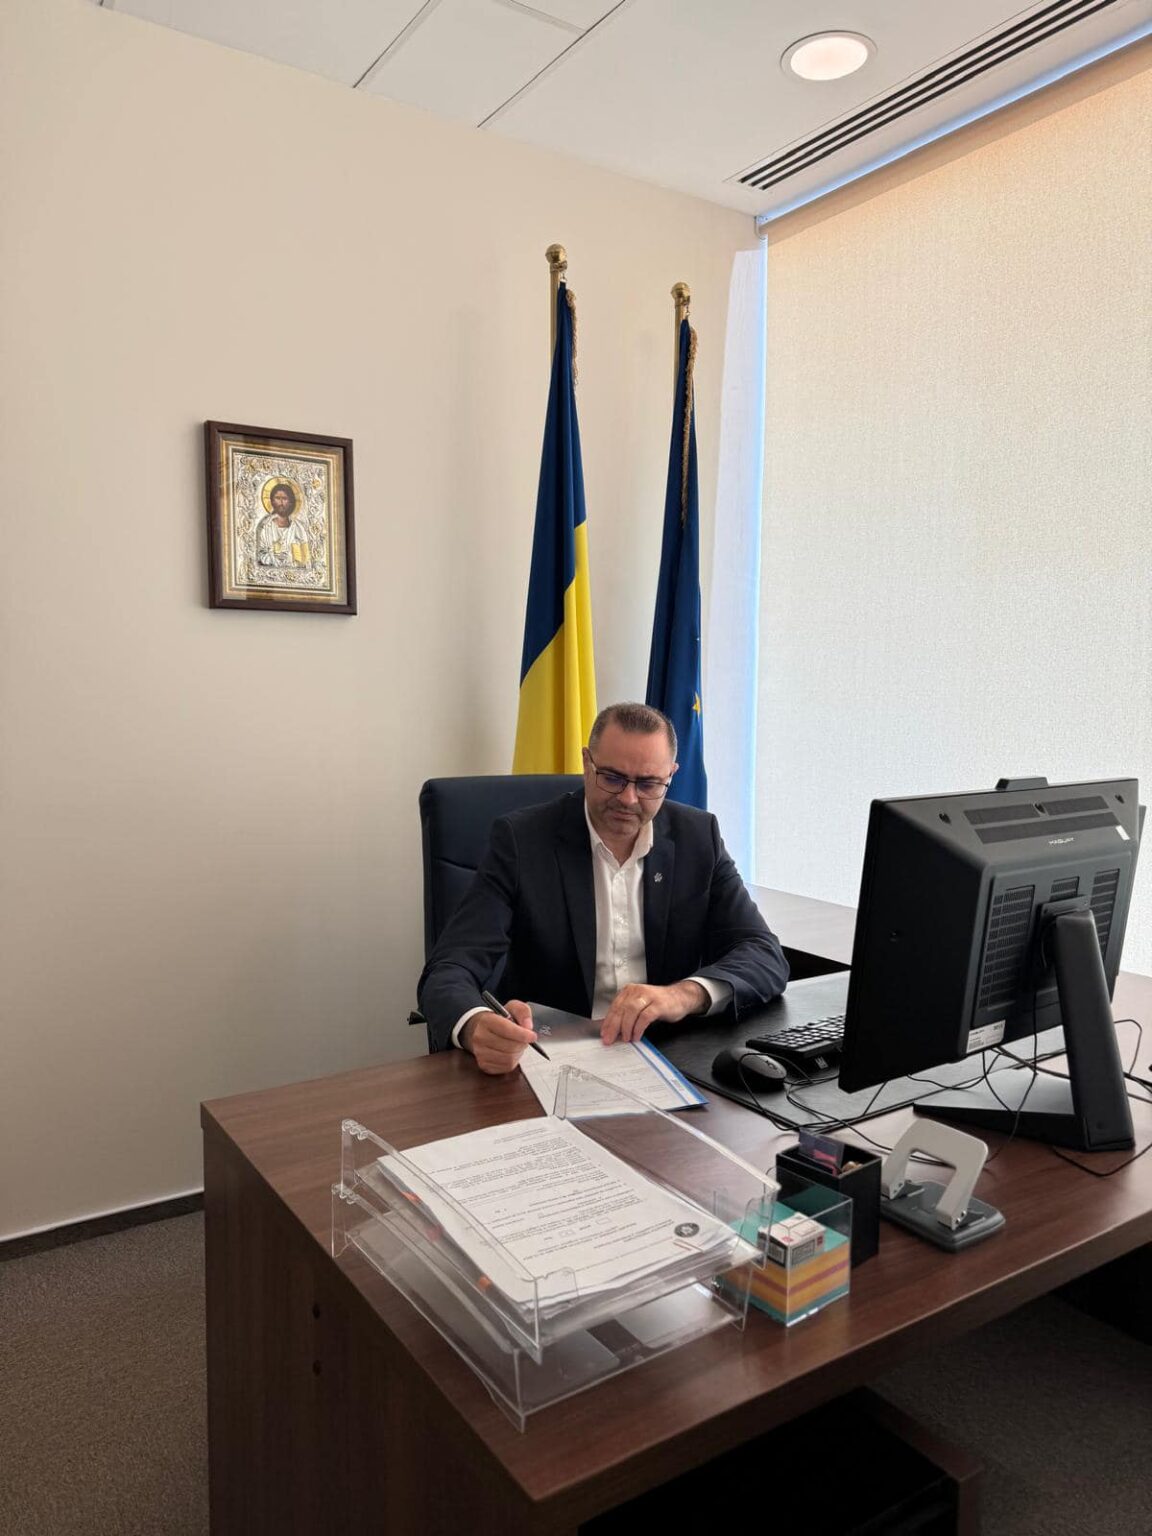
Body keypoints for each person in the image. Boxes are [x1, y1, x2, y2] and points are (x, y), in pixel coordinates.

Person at [418, 702, 788, 1074]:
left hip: (668, 1057)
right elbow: (448, 969)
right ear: (587, 763)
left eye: (648, 784)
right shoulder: (522, 841)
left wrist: (682, 995)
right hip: (548, 1057)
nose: (628, 799)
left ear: (671, 776)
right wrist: (476, 1025)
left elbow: (763, 953)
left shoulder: (698, 837)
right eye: (612, 778)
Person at [256, 482, 310, 568]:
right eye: (277, 498)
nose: (281, 502)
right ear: (272, 501)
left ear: (290, 502)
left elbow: (305, 557)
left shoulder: (298, 527)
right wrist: (274, 558)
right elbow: (259, 554)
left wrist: (290, 557)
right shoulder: (264, 526)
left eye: (285, 498)